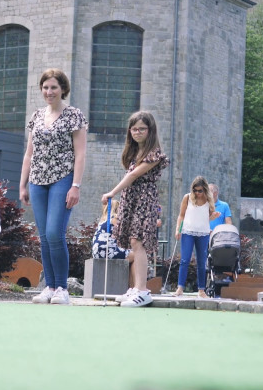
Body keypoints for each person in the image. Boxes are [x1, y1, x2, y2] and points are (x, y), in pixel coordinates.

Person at [20, 68, 87, 305]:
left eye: (54, 87)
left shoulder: (74, 115)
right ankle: (49, 286)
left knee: (54, 233)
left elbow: (80, 154)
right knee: (43, 237)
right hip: (37, 180)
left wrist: (75, 186)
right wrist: (23, 184)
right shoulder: (36, 116)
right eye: (46, 87)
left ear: (63, 89)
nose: (49, 91)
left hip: (63, 178)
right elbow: (29, 153)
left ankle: (62, 288)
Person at [101, 111, 169, 307]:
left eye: (142, 129)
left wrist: (111, 193)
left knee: (138, 242)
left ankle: (142, 290)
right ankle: (136, 288)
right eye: (134, 129)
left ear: (150, 130)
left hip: (144, 201)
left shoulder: (154, 153)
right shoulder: (134, 153)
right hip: (131, 199)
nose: (137, 132)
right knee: (133, 242)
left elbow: (132, 176)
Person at [174, 176, 219, 298]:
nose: (198, 193)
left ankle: (201, 290)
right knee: (185, 259)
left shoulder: (209, 201)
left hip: (203, 233)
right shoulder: (187, 198)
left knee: (201, 261)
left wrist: (213, 217)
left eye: (200, 191)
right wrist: (178, 229)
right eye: (195, 190)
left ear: (205, 190)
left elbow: (206, 218)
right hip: (188, 231)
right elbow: (181, 215)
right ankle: (180, 288)